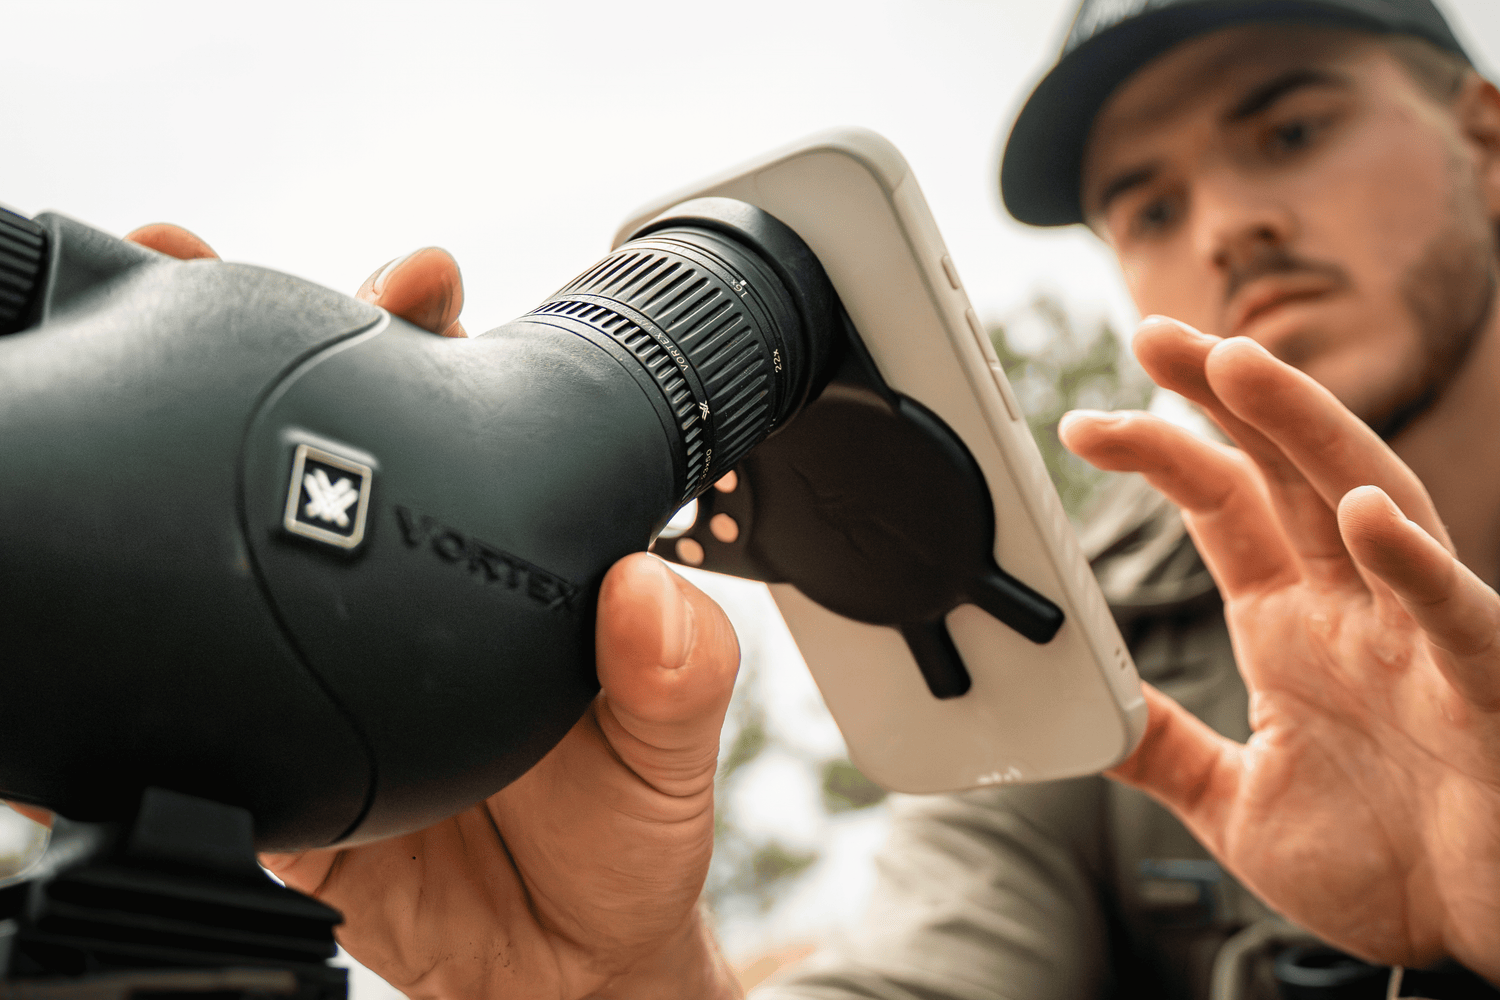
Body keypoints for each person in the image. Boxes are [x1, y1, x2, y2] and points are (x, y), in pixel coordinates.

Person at [43, 0, 1499, 994]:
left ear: (1485, 138)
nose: (1228, 226)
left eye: (1289, 132)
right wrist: (614, 980)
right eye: (1151, 208)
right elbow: (925, 971)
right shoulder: (1090, 647)